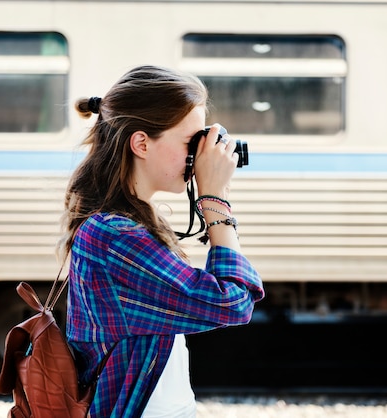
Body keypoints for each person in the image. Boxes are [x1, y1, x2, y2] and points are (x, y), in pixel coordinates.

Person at [58, 65, 265, 418]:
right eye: (191, 142)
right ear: (141, 143)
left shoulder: (125, 224)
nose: (198, 156)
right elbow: (233, 302)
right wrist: (214, 198)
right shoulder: (115, 237)